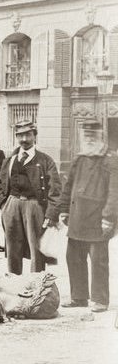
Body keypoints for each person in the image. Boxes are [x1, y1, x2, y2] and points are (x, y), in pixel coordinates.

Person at [57, 119, 118, 313]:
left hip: (97, 219)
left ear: (101, 137)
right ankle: (79, 297)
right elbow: (68, 187)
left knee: (98, 260)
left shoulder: (110, 159)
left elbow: (115, 191)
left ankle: (100, 300)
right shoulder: (80, 159)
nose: (89, 139)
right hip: (77, 217)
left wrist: (109, 217)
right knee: (73, 257)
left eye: (93, 135)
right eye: (87, 136)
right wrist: (64, 209)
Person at [0, 121, 61, 275]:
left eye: (28, 135)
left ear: (34, 136)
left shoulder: (45, 160)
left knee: (36, 249)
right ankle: (14, 283)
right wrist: (4, 204)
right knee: (12, 248)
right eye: (20, 135)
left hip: (34, 206)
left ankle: (35, 286)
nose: (24, 139)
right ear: (16, 137)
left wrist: (51, 215)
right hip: (12, 204)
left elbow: (55, 190)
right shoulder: (10, 159)